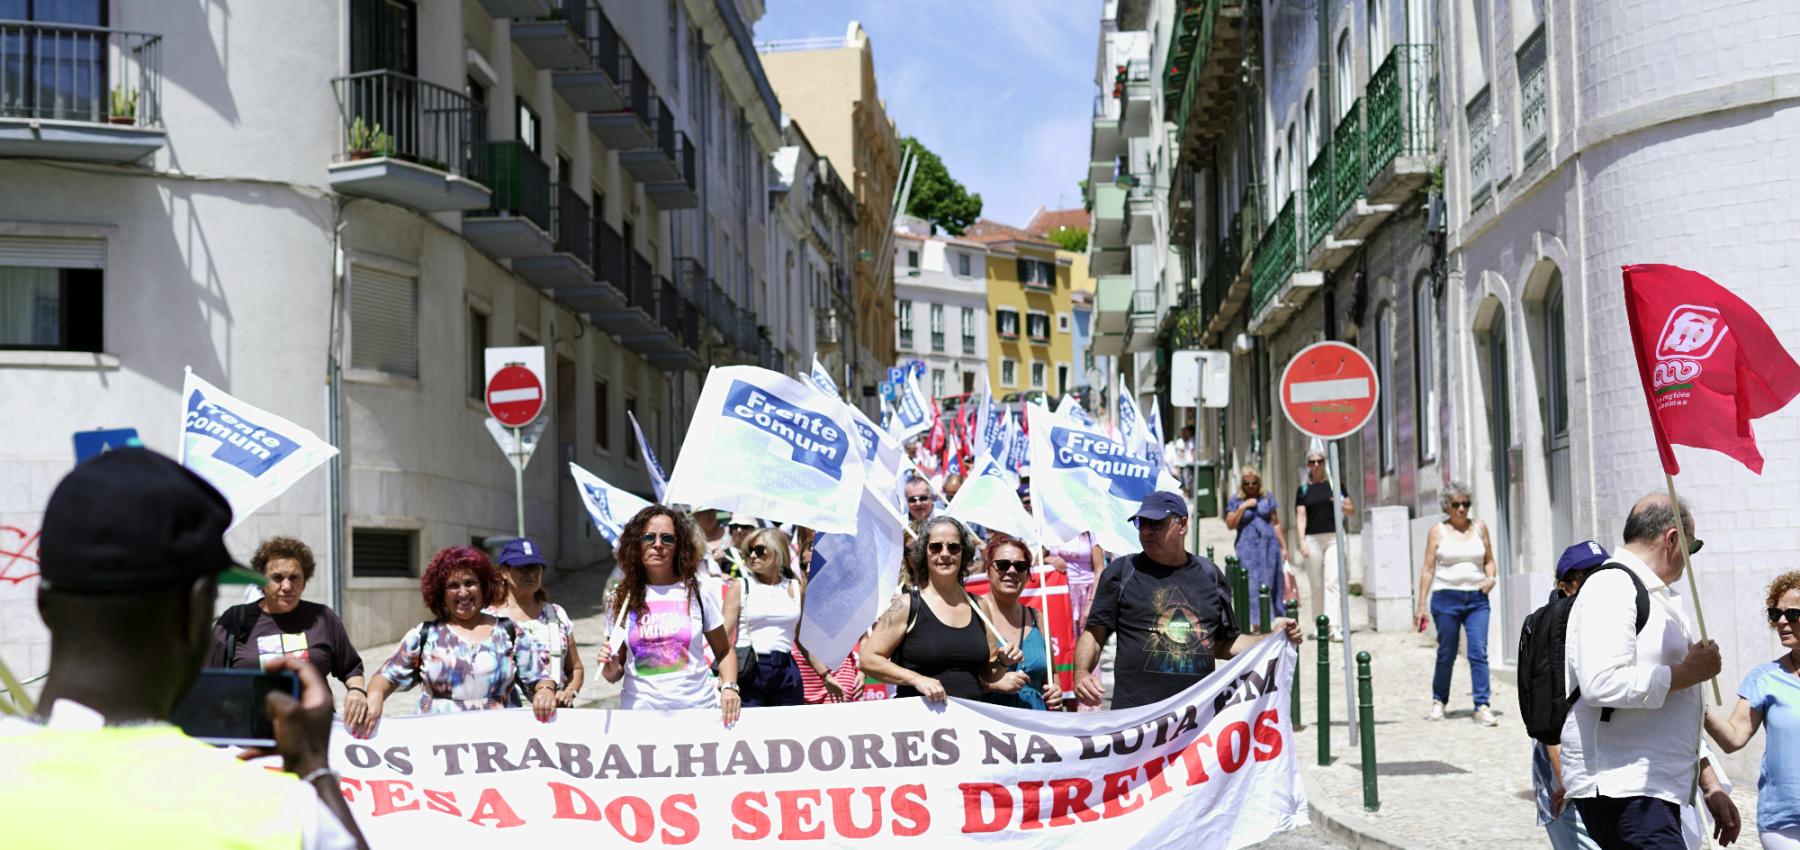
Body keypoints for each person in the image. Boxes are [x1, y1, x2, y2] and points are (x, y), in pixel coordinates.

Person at [0, 448, 368, 849]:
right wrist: (313, 767)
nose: (286, 586)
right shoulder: (281, 815)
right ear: (195, 612)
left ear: (44, 607)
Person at [1562, 493, 1738, 850]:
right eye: (1692, 546)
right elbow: (1601, 683)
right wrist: (1685, 673)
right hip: (1624, 788)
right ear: (1672, 539)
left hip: (1649, 788)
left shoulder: (1652, 594)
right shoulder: (1613, 586)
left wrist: (1709, 783)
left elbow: (1672, 712)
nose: (1689, 558)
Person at [1075, 491, 1301, 710]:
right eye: (1141, 523)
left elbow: (1224, 645)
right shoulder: (1121, 573)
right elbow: (1094, 634)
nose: (1146, 531)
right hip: (1137, 721)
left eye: (1156, 524)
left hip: (1195, 720)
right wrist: (1082, 672)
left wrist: (1274, 637)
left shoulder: (1210, 576)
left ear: (1182, 524)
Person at [354, 546, 556, 735]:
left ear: (483, 587)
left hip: (499, 741)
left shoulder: (509, 631)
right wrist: (375, 697)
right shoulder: (424, 635)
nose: (463, 592)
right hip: (438, 741)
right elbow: (385, 677)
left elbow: (540, 677)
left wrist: (545, 691)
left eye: (470, 583)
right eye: (453, 586)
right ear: (441, 594)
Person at [598, 506, 741, 726]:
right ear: (636, 544)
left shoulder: (699, 591)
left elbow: (724, 651)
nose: (658, 544)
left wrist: (730, 687)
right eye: (649, 537)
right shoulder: (620, 599)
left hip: (696, 715)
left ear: (678, 546)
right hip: (640, 719)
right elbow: (615, 670)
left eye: (667, 538)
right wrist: (610, 669)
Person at [208, 536, 370, 730]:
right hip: (252, 734)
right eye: (277, 578)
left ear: (304, 581)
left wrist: (356, 690)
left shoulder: (324, 618)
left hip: (313, 733)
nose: (287, 586)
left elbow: (351, 668)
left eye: (294, 578)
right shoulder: (234, 619)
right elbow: (208, 680)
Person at [864, 516, 1018, 702]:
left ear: (964, 553)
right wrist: (916, 679)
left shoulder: (980, 606)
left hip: (970, 716)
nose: (945, 554)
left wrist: (1002, 662)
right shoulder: (906, 605)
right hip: (919, 718)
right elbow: (868, 660)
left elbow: (988, 676)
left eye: (953, 547)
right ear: (924, 553)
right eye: (936, 547)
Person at [1704, 570, 1800, 847]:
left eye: (1792, 614)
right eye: (1775, 614)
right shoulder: (1764, 679)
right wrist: (1697, 704)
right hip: (1784, 822)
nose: (1781, 621)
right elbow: (1733, 738)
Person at [1533, 541, 1610, 850]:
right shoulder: (1552, 635)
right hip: (1567, 788)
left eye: (1604, 573)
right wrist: (1569, 783)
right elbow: (1548, 721)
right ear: (1564, 588)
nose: (1600, 582)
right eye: (1587, 577)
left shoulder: (1612, 621)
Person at [723, 527, 845, 706]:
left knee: (789, 723)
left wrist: (825, 674)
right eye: (750, 551)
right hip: (750, 668)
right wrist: (727, 681)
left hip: (786, 669)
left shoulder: (796, 588)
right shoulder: (741, 586)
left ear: (777, 551)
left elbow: (802, 638)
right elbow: (724, 638)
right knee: (750, 724)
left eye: (759, 550)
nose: (753, 556)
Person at [1414, 483, 1500, 725]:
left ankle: (1482, 704)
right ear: (1447, 506)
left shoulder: (1480, 527)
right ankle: (1439, 701)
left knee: (1478, 652)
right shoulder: (1437, 531)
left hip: (1477, 599)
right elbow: (1428, 568)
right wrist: (1421, 604)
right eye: (1456, 504)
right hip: (1446, 598)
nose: (1462, 509)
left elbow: (1489, 560)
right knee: (1447, 652)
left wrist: (1491, 578)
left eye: (1466, 504)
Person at [485, 538, 583, 707]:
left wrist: (569, 692)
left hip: (557, 714)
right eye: (522, 569)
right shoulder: (488, 619)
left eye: (535, 569)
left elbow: (575, 668)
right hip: (507, 713)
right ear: (504, 572)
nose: (530, 575)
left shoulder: (556, 614)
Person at [977, 535, 1062, 711]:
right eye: (1002, 565)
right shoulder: (973, 614)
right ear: (988, 569)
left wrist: (1055, 691)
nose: (1012, 571)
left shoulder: (1037, 617)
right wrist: (993, 684)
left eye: (1020, 566)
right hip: (988, 719)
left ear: (1027, 574)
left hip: (1035, 720)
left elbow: (1051, 673)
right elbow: (956, 679)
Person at [1294, 449, 1354, 640]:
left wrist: (1340, 503)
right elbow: (1301, 517)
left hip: (1334, 538)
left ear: (1324, 463)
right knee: (1317, 584)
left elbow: (1350, 509)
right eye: (1312, 462)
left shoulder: (1335, 485)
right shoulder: (1303, 490)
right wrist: (1301, 541)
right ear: (1308, 465)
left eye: (1319, 461)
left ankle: (1333, 626)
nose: (1316, 465)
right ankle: (1318, 624)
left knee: (1333, 582)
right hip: (1312, 539)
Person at [1225, 465, 1289, 632]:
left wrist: (1284, 546)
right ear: (1242, 484)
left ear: (1259, 482)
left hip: (1269, 547)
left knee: (1270, 582)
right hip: (1247, 548)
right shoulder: (1236, 500)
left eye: (1254, 483)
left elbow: (1275, 523)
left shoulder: (1267, 497)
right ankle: (1255, 623)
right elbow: (1230, 524)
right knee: (1251, 585)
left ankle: (1268, 621)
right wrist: (1243, 507)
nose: (1251, 486)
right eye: (1247, 483)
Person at [1163, 425, 1196, 494]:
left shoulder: (1190, 441)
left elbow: (1192, 452)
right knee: (1183, 480)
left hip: (1187, 464)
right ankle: (1185, 492)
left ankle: (1188, 493)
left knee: (1188, 480)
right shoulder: (1180, 442)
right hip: (1180, 464)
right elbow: (1181, 454)